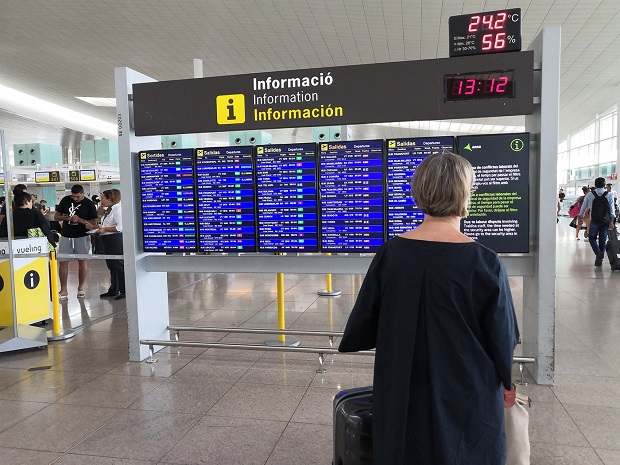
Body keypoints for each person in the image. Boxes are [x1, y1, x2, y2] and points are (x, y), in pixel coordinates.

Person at [339, 152, 519, 465]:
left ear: (419, 192)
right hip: (467, 384)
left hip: (401, 383)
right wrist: (507, 381)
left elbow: (365, 320)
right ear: (466, 194)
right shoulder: (484, 261)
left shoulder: (391, 254)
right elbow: (501, 335)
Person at [54, 184, 98, 299]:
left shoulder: (89, 204)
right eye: (73, 196)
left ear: (83, 194)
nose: (75, 199)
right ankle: (63, 289)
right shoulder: (65, 200)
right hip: (66, 235)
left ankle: (81, 288)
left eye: (78, 197)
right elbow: (56, 216)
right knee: (63, 261)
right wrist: (65, 218)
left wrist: (79, 220)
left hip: (82, 235)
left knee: (82, 261)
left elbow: (94, 223)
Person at [90, 189, 125, 300]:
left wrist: (104, 229)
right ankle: (114, 289)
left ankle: (124, 290)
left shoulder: (118, 210)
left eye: (103, 198)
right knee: (111, 266)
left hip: (115, 240)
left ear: (109, 199)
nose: (101, 200)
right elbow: (103, 224)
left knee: (119, 266)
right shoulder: (108, 210)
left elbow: (119, 228)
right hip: (107, 240)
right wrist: (95, 228)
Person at [578, 177, 615, 267]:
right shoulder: (609, 195)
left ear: (595, 185)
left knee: (592, 238)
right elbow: (612, 209)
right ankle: (600, 258)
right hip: (605, 220)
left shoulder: (590, 195)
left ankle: (598, 253)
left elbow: (584, 207)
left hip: (594, 220)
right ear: (604, 185)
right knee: (602, 240)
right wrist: (612, 221)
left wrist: (580, 216)